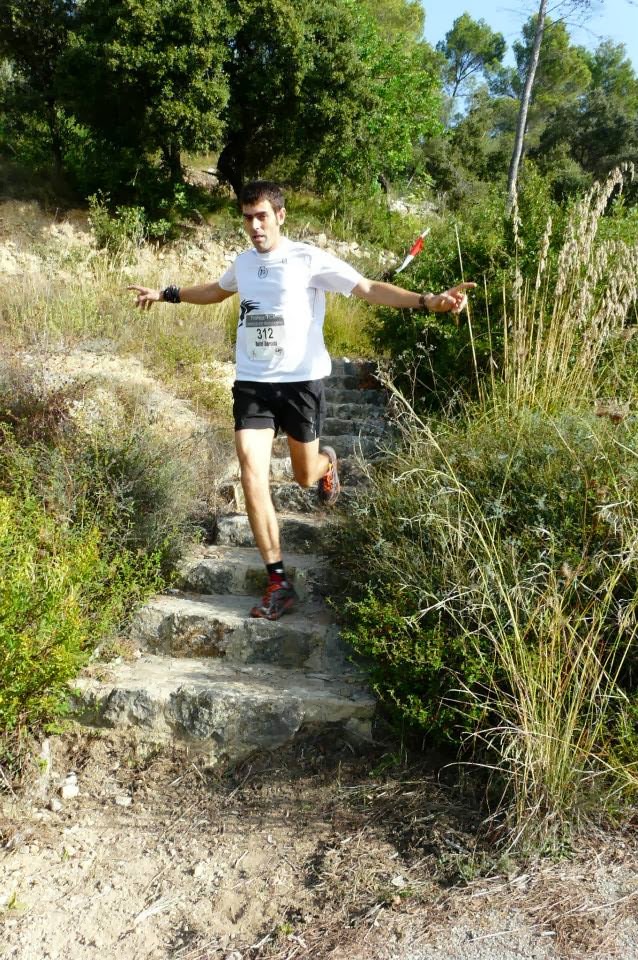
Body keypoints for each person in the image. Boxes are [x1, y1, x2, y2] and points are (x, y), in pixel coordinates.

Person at [129, 180, 475, 621]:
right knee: (251, 472)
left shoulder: (307, 259)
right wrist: (167, 294)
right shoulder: (244, 263)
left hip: (300, 383)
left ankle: (326, 464)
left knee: (303, 476)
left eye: (262, 217)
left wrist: (428, 302)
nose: (254, 226)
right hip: (253, 383)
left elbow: (368, 288)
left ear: (280, 216)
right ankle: (278, 582)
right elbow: (217, 290)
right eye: (247, 218)